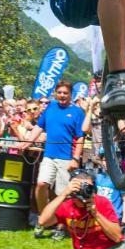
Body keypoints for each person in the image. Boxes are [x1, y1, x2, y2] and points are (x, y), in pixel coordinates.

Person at [18, 81, 85, 239]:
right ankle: (44, 219)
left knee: (62, 194)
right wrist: (27, 143)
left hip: (66, 158)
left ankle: (60, 227)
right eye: (59, 92)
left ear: (70, 95)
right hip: (49, 155)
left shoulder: (77, 112)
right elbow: (39, 127)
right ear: (55, 93)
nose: (62, 95)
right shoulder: (50, 108)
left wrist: (75, 158)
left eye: (65, 93)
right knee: (41, 184)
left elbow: (81, 137)